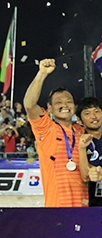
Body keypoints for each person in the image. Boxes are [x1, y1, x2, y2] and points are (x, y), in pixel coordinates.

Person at [23, 58, 88, 207]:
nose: (64, 105)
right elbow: (29, 104)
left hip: (84, 209)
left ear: (74, 106)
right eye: (58, 102)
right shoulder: (46, 128)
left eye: (69, 101)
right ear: (49, 108)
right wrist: (42, 74)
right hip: (57, 209)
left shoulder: (81, 131)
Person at [76, 97, 102, 206]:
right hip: (89, 200)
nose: (93, 116)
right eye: (87, 113)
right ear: (79, 120)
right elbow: (85, 176)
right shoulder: (78, 142)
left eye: (96, 111)